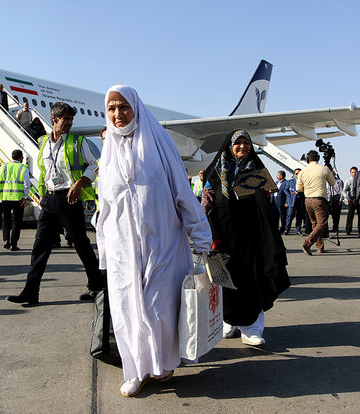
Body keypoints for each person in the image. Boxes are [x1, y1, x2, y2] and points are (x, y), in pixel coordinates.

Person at [96, 85, 212, 397]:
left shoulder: (159, 141)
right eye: (112, 109)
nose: (118, 115)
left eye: (123, 107)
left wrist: (200, 238)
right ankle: (135, 370)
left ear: (135, 106)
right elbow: (103, 205)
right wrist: (104, 249)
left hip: (163, 243)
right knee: (127, 310)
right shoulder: (108, 152)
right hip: (123, 249)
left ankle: (163, 362)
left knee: (158, 308)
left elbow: (182, 191)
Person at [6, 101, 103, 305]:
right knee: (39, 246)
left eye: (71, 119)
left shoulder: (78, 142)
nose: (69, 123)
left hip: (69, 198)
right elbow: (43, 172)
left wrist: (80, 182)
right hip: (49, 200)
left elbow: (95, 165)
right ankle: (30, 291)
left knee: (81, 244)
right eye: (66, 119)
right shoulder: (43, 142)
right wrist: (41, 197)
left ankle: (97, 286)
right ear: (54, 119)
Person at [202, 129, 290, 345]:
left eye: (246, 143)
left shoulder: (256, 170)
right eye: (237, 143)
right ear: (230, 147)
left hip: (253, 240)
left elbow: (267, 209)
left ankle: (252, 328)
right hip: (224, 239)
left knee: (253, 280)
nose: (242, 147)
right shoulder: (217, 171)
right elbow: (207, 204)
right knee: (228, 281)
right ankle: (229, 321)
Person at [297, 150, 336, 255]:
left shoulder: (302, 171)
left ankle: (320, 247)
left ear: (307, 159)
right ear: (317, 158)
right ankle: (307, 243)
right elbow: (333, 183)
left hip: (307, 200)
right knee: (322, 223)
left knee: (315, 224)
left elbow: (299, 189)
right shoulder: (324, 169)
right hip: (319, 200)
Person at [0, 149, 30, 251]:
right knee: (17, 222)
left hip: (5, 198)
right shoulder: (23, 168)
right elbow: (27, 184)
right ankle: (14, 244)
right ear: (21, 157)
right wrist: (25, 197)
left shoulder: (4, 167)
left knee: (6, 220)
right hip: (18, 199)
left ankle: (6, 240)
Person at [327, 170, 344, 235]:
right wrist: (328, 200)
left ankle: (336, 227)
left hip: (337, 197)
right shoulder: (328, 181)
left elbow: (342, 191)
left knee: (336, 214)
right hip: (331, 198)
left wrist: (341, 200)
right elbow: (328, 191)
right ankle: (331, 227)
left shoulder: (339, 181)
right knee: (330, 213)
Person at [344, 166, 358, 234]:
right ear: (350, 173)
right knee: (350, 215)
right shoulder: (348, 181)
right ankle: (348, 229)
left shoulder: (359, 180)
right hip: (351, 199)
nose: (354, 174)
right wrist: (348, 198)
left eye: (355, 172)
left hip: (358, 199)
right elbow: (344, 191)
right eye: (352, 172)